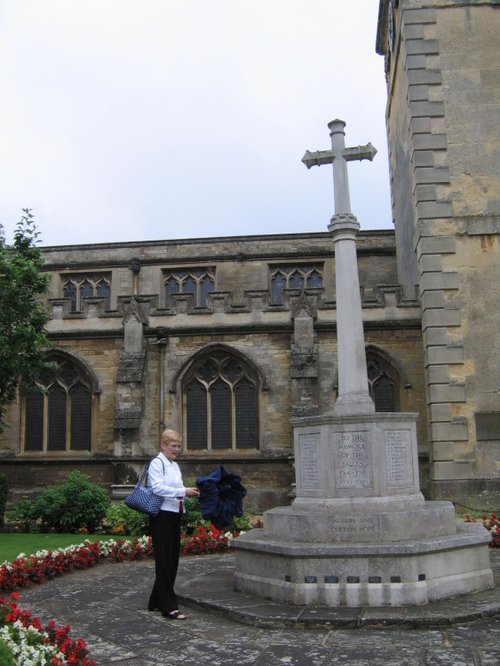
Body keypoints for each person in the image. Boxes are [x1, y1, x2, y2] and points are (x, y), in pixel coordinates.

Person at [147, 428, 199, 620]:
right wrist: (183, 492)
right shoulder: (157, 463)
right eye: (173, 446)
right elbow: (157, 488)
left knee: (171, 559)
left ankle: (154, 600)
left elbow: (177, 488)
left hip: (175, 514)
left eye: (178, 446)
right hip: (161, 515)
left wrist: (188, 491)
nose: (176, 449)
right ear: (163, 445)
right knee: (164, 561)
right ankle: (168, 607)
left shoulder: (174, 465)